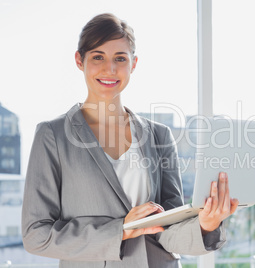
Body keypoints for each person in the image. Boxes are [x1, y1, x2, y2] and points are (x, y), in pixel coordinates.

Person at [21, 13, 238, 267]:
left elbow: (168, 231)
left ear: (134, 64)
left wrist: (206, 224)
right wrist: (121, 230)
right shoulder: (52, 135)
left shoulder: (159, 136)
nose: (110, 69)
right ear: (80, 60)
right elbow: (36, 235)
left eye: (120, 58)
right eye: (98, 57)